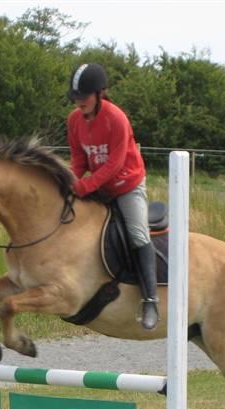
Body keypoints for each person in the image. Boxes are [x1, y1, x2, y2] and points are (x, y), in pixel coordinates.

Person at [66, 63, 159, 330]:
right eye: (76, 97)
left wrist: (84, 187)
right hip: (99, 185)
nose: (79, 101)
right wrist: (70, 181)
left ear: (99, 93)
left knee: (138, 233)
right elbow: (79, 159)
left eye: (84, 96)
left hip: (127, 184)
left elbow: (115, 164)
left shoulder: (116, 118)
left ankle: (150, 299)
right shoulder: (74, 120)